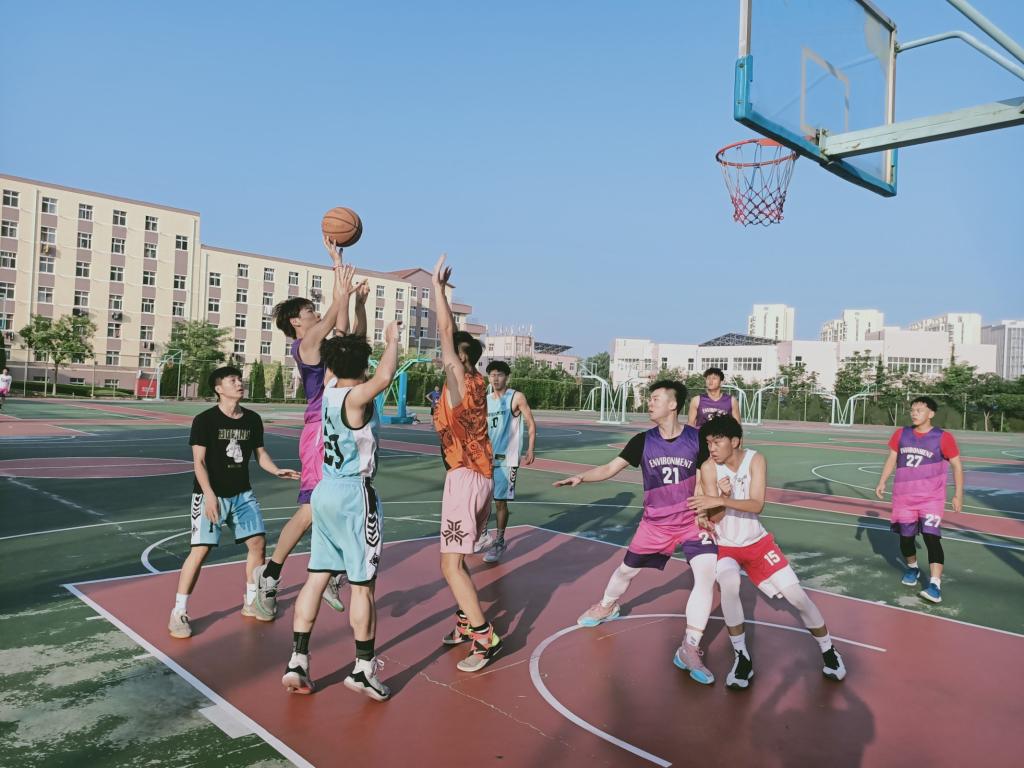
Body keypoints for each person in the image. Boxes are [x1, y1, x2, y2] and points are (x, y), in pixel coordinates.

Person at [554, 380, 719, 685]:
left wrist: (708, 507)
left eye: (655, 398)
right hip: (655, 524)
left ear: (673, 404)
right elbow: (609, 468)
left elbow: (707, 474)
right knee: (626, 571)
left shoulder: (696, 439)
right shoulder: (643, 441)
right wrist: (582, 477)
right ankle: (607, 605)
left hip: (692, 521)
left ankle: (689, 647)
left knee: (706, 574)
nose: (650, 403)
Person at [282, 321, 402, 700]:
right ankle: (363, 669)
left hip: (324, 491)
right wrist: (393, 341)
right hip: (354, 494)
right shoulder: (356, 398)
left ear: (332, 365)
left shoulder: (329, 390)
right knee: (363, 586)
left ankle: (298, 660)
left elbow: (346, 353)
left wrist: (354, 305)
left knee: (317, 576)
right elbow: (385, 376)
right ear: (363, 366)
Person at [690, 415, 846, 689]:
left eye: (717, 442)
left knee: (797, 598)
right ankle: (742, 658)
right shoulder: (708, 468)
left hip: (758, 544)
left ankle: (829, 650)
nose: (711, 448)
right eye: (708, 443)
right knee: (729, 585)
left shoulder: (755, 460)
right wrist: (719, 502)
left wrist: (723, 498)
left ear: (734, 441)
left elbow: (757, 504)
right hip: (726, 546)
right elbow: (715, 517)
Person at [255, 245, 362, 618]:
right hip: (319, 430)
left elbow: (342, 326)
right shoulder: (306, 345)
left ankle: (328, 571)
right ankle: (270, 576)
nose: (315, 313)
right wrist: (337, 272)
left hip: (338, 427)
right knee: (311, 509)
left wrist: (349, 294)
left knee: (339, 503)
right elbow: (332, 317)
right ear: (296, 322)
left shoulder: (324, 344)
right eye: (309, 311)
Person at [168, 366, 300, 639]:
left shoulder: (252, 419)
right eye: (233, 380)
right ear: (219, 389)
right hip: (210, 494)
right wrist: (209, 495)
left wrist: (275, 470)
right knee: (201, 550)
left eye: (240, 379)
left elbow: (260, 453)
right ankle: (178, 611)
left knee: (258, 544)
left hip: (242, 494)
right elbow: (199, 462)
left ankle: (251, 600)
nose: (240, 383)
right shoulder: (205, 420)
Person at [431, 254, 503, 672]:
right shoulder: (475, 383)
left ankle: (483, 635)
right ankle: (465, 619)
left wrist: (437, 291)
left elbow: (446, 331)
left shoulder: (460, 379)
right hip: (479, 476)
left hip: (465, 479)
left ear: (462, 357)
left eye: (449, 354)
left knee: (449, 564)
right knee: (457, 561)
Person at [875, 396, 963, 604]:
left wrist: (958, 494)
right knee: (906, 539)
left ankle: (935, 585)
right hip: (903, 497)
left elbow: (957, 465)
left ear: (931, 414)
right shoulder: (901, 434)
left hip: (931, 498)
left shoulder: (943, 437)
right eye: (912, 410)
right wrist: (882, 481)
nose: (914, 413)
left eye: (919, 410)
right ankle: (912, 568)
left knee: (932, 537)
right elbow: (892, 458)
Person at [474, 360, 536, 564]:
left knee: (500, 502)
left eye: (499, 374)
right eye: (492, 374)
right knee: (480, 499)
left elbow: (530, 423)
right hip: (485, 459)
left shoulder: (516, 397)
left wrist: (530, 448)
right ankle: (484, 535)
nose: (495, 378)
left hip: (506, 460)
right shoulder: (485, 400)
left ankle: (499, 542)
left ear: (507, 377)